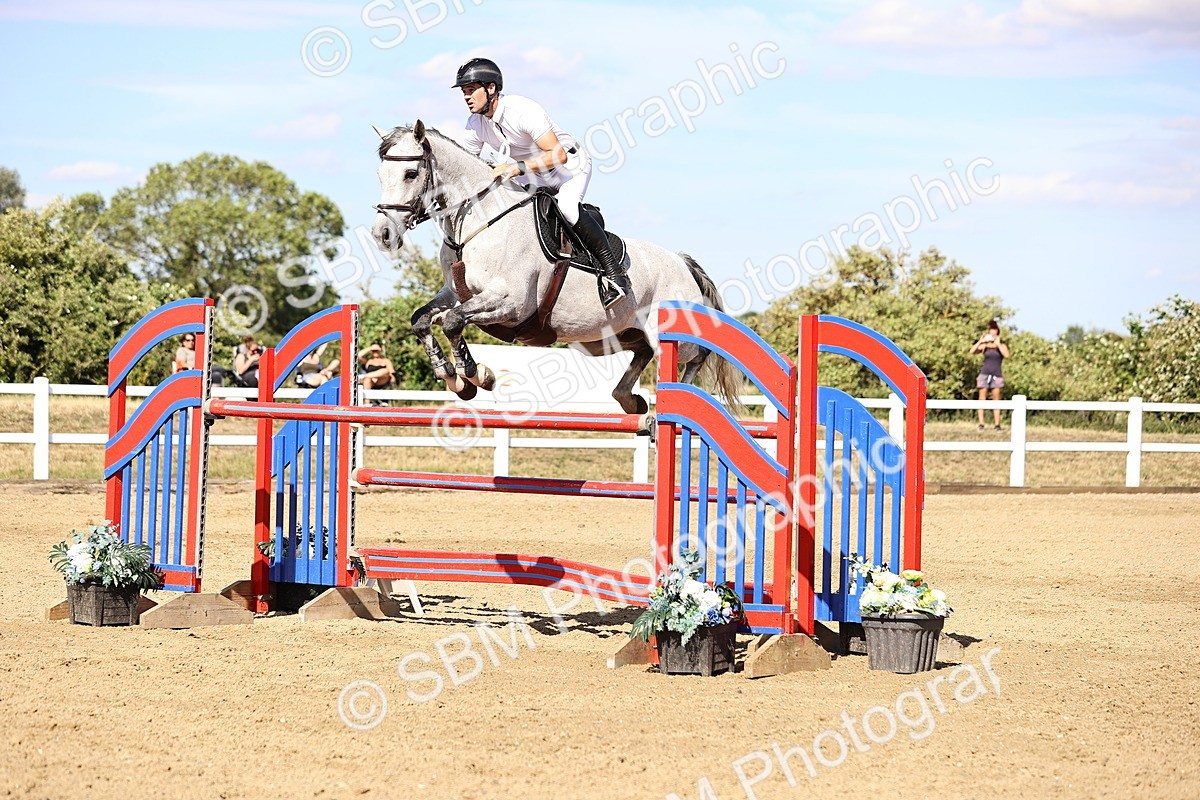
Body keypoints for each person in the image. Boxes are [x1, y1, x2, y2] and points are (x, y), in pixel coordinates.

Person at [453, 57, 631, 309]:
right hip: (531, 174)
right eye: (463, 92)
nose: (466, 97)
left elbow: (557, 155)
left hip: (567, 165)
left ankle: (616, 275)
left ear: (491, 88)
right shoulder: (475, 124)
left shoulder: (521, 110)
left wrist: (514, 168)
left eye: (471, 90)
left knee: (568, 208)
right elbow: (467, 167)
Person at [970, 320, 1010, 431]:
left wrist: (998, 344)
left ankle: (997, 424)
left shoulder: (1001, 346)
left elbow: (1006, 355)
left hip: (996, 375)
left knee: (996, 400)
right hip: (984, 374)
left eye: (994, 334)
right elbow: (972, 351)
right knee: (982, 399)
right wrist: (980, 341)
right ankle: (981, 423)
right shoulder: (985, 346)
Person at [358, 340, 396, 406]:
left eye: (377, 350)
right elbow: (358, 356)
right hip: (371, 382)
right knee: (367, 380)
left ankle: (364, 376)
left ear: (380, 350)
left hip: (382, 381)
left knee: (385, 371)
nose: (375, 352)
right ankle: (367, 403)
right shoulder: (368, 361)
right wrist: (370, 348)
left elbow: (391, 373)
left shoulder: (386, 361)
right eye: (373, 350)